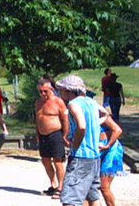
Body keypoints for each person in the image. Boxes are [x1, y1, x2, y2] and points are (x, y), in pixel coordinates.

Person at [56, 75, 109, 206]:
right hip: (94, 157)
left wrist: (75, 143)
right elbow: (105, 114)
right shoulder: (91, 102)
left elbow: (82, 126)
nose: (60, 93)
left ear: (69, 91)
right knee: (92, 196)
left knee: (70, 197)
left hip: (80, 157)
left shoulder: (73, 104)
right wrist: (95, 124)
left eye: (61, 90)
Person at [35, 79, 69, 199]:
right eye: (40, 91)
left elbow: (65, 120)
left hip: (55, 134)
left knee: (58, 161)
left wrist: (65, 135)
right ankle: (53, 184)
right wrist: (37, 133)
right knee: (45, 161)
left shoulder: (58, 102)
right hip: (43, 135)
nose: (43, 94)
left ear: (51, 89)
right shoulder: (38, 102)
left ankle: (61, 187)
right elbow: (37, 119)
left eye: (45, 91)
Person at [83, 115, 125, 206]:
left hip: (110, 150)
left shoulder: (100, 113)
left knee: (104, 187)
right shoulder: (77, 112)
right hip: (94, 150)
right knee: (86, 186)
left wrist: (108, 145)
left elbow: (117, 130)